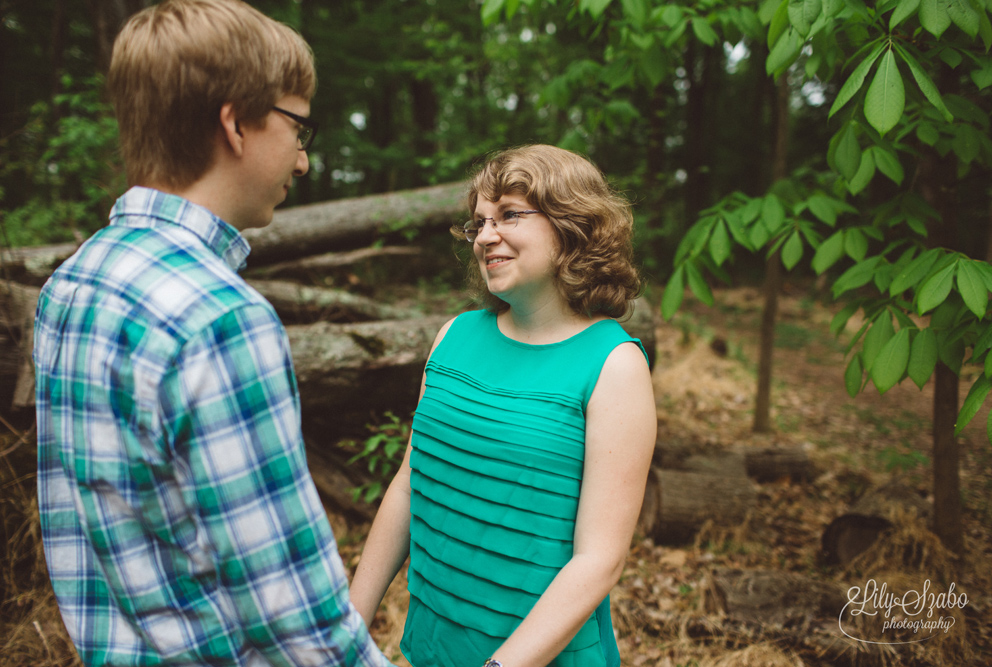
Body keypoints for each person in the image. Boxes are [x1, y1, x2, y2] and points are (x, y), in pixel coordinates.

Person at [33, 2, 392, 665]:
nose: (304, 160)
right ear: (236, 123)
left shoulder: (74, 284)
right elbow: (296, 616)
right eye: (298, 127)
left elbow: (77, 541)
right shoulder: (222, 321)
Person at [349, 144, 657, 667]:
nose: (486, 237)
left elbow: (599, 560)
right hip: (433, 647)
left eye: (510, 215)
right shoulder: (454, 336)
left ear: (572, 226)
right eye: (479, 222)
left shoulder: (614, 365)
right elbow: (409, 483)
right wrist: (347, 627)